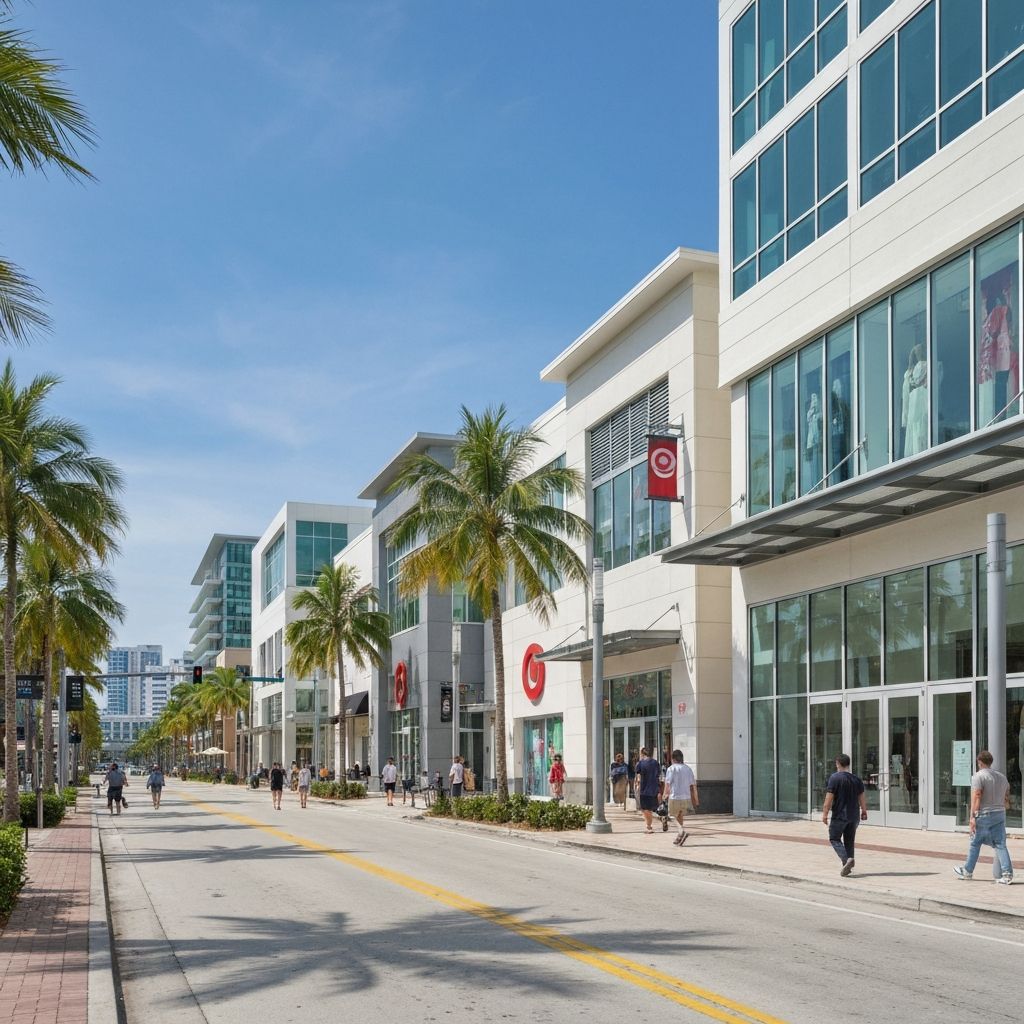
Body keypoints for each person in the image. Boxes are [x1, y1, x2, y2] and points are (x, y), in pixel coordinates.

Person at [953, 750, 1014, 883]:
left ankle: (967, 871)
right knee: (1000, 844)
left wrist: (972, 817)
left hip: (984, 814)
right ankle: (1007, 874)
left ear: (979, 762)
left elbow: (977, 796)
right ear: (990, 762)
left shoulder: (978, 776)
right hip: (1000, 813)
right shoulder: (1002, 777)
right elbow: (1006, 795)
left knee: (975, 843)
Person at [822, 753, 868, 877]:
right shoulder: (856, 779)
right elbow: (862, 797)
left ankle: (847, 859)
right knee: (849, 840)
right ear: (848, 764)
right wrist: (864, 811)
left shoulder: (835, 778)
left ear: (838, 763)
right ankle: (847, 865)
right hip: (854, 816)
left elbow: (829, 798)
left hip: (840, 815)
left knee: (834, 838)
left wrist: (825, 814)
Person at [662, 750, 699, 846]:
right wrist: (696, 798)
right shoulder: (688, 769)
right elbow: (693, 785)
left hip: (675, 796)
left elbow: (667, 784)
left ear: (672, 758)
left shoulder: (671, 769)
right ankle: (679, 835)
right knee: (680, 815)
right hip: (686, 797)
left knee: (671, 815)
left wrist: (664, 795)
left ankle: (681, 831)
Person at [634, 747, 662, 834]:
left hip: (644, 788)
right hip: (655, 788)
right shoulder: (656, 763)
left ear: (642, 754)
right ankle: (661, 817)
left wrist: (637, 786)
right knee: (653, 807)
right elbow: (659, 774)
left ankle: (649, 827)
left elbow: (638, 776)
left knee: (646, 809)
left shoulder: (640, 763)